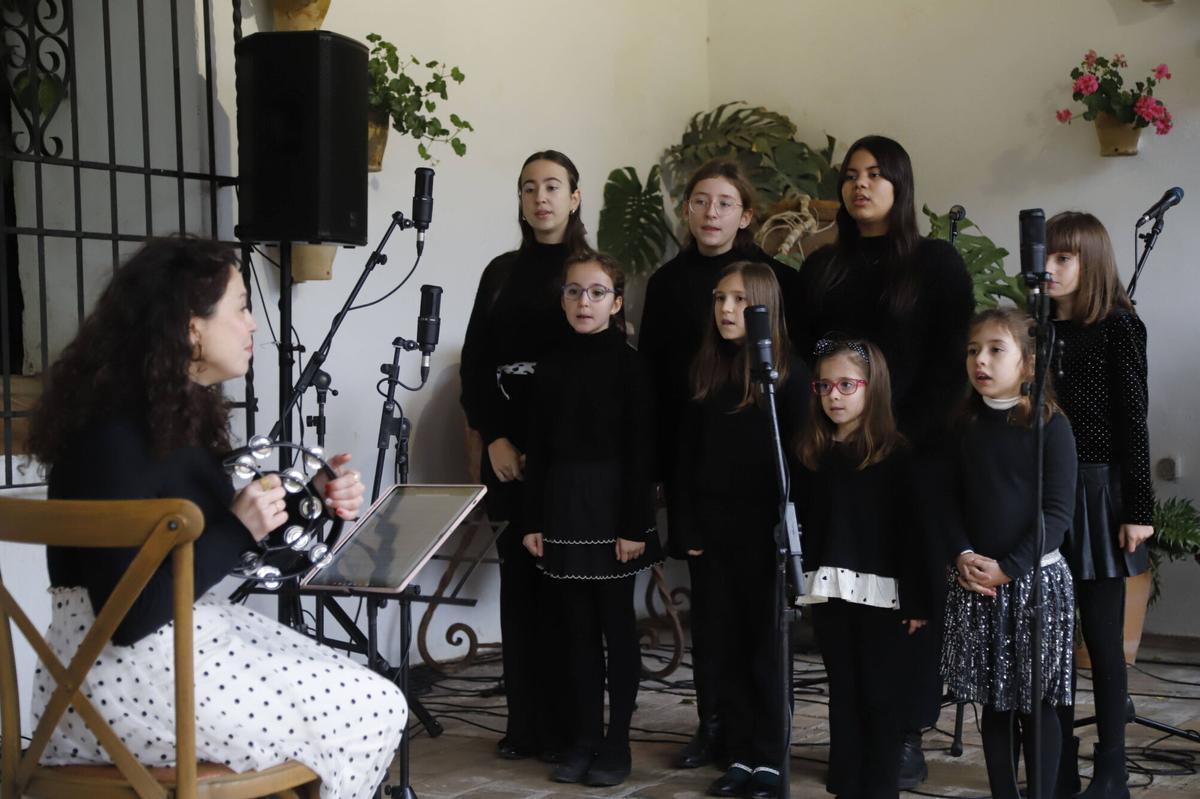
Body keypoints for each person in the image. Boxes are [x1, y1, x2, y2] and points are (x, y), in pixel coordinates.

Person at [26, 237, 405, 799]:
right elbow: (130, 617)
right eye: (242, 308)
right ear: (191, 327)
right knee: (369, 705)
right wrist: (239, 525)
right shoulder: (112, 439)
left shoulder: (166, 417)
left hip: (158, 666)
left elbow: (224, 549)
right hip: (116, 686)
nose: (253, 325)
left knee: (362, 694)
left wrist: (311, 504)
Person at [795, 135, 975, 785]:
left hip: (914, 458)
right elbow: (806, 365)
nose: (860, 185)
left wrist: (893, 439)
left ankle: (905, 733)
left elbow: (951, 369)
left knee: (907, 605)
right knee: (845, 603)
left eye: (875, 174)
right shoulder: (823, 268)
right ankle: (854, 737)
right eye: (850, 176)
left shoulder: (936, 264)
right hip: (838, 463)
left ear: (901, 185)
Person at [638, 157, 801, 770]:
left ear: (746, 213)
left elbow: (791, 407)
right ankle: (717, 728)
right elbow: (654, 380)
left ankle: (761, 745)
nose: (711, 212)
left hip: (758, 497)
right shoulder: (669, 287)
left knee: (761, 632)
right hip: (701, 476)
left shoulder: (778, 283)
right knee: (714, 624)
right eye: (700, 200)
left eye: (725, 201)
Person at [459, 149, 588, 760]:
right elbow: (477, 363)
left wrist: (556, 448)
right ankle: (526, 724)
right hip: (508, 452)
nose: (541, 197)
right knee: (521, 588)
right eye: (529, 187)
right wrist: (496, 438)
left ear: (575, 198)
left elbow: (599, 367)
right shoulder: (500, 272)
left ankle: (570, 726)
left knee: (567, 589)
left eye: (553, 186)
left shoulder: (588, 270)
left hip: (568, 453)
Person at [521, 252, 664, 787]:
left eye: (597, 292)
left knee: (616, 629)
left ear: (617, 302)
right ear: (562, 298)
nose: (584, 302)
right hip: (561, 502)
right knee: (574, 632)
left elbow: (641, 452)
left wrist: (633, 525)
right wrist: (533, 518)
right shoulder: (551, 364)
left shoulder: (631, 365)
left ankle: (617, 743)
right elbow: (538, 448)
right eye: (574, 291)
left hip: (613, 507)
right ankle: (582, 738)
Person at [672, 262, 808, 799]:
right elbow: (685, 460)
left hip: (766, 537)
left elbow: (798, 465)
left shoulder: (786, 379)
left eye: (738, 301)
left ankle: (768, 756)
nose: (726, 310)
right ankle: (737, 751)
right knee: (721, 643)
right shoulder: (704, 372)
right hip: (715, 532)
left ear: (764, 309)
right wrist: (687, 524)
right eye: (719, 299)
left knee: (765, 648)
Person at [941, 308, 1077, 799]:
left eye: (996, 349)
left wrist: (1009, 567)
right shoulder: (964, 425)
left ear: (1029, 362)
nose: (981, 360)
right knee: (994, 704)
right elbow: (948, 499)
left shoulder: (1050, 426)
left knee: (1035, 703)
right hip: (979, 583)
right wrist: (963, 555)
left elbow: (1057, 513)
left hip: (1035, 584)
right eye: (974, 350)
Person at [1046, 211, 1154, 799]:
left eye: (1063, 258)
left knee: (1102, 641)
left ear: (1091, 263)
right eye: (1045, 257)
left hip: (1098, 493)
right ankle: (1057, 761)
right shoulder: (1036, 330)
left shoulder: (1118, 327)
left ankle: (1111, 766)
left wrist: (1138, 507)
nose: (1050, 269)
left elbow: (1132, 421)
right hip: (1046, 493)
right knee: (1052, 641)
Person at [793, 335, 929, 799]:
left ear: (874, 389)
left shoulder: (896, 456)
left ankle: (878, 786)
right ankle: (846, 781)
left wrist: (917, 599)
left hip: (884, 595)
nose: (834, 395)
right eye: (825, 386)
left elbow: (913, 535)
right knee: (843, 689)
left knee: (880, 693)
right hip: (831, 589)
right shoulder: (812, 453)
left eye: (846, 385)